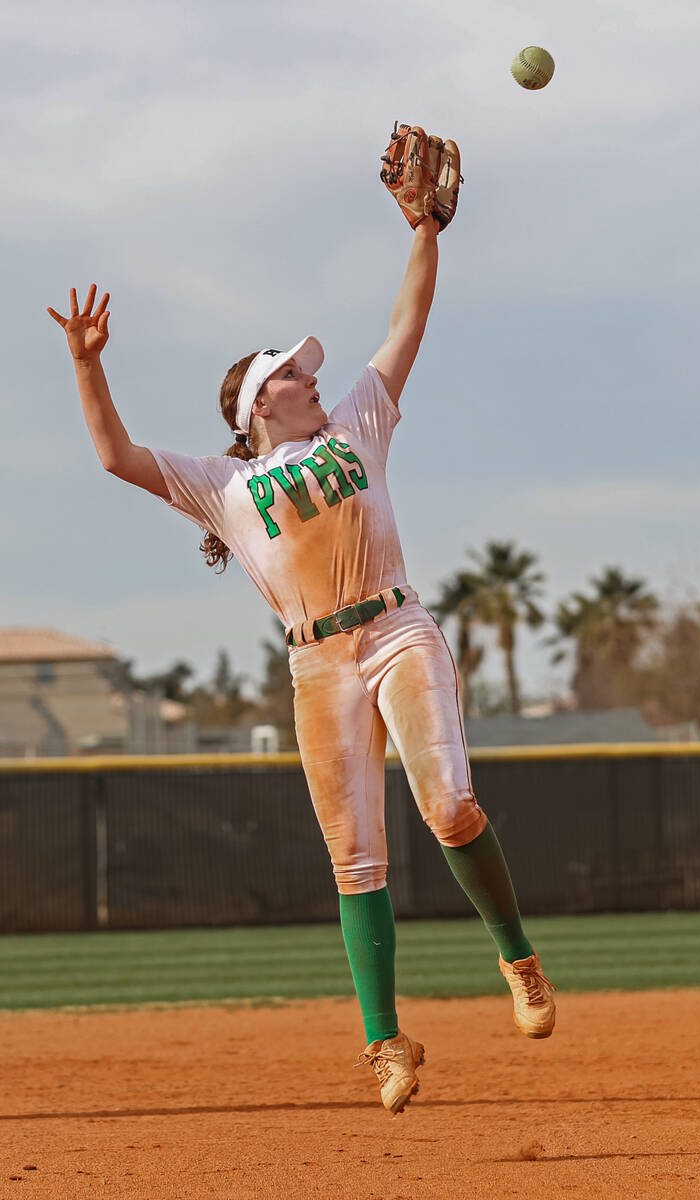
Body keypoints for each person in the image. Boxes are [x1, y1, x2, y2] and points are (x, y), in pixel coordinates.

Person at [48, 137, 555, 1117]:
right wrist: (85, 366)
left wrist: (426, 233)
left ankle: (518, 957)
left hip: (399, 630)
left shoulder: (358, 420)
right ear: (255, 407)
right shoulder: (223, 483)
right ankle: (386, 1046)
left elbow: (409, 318)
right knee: (355, 857)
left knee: (448, 809)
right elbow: (113, 456)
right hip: (319, 665)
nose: (310, 379)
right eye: (290, 375)